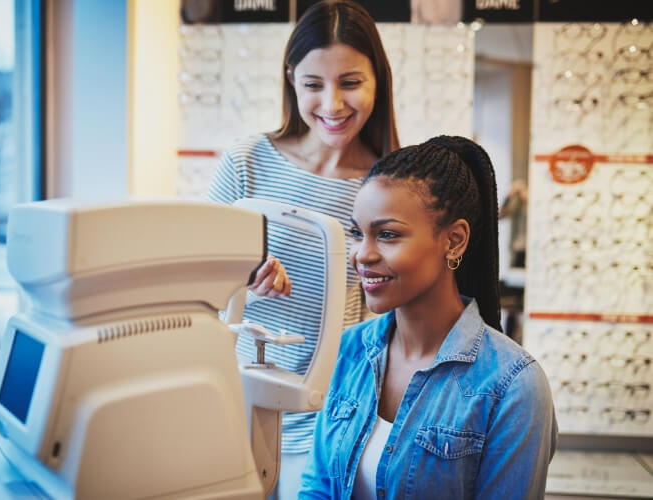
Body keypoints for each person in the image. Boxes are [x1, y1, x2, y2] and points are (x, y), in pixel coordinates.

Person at [206, 1, 399, 498]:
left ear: (378, 79)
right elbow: (195, 286)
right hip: (238, 406)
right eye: (314, 84)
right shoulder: (246, 163)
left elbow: (397, 316)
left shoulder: (390, 185)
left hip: (339, 419)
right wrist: (241, 277)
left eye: (351, 83)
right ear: (291, 78)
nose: (332, 105)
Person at [299, 136, 558, 499]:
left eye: (387, 234)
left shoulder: (514, 386)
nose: (362, 254)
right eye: (358, 233)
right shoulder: (351, 349)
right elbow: (318, 487)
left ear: (454, 240)